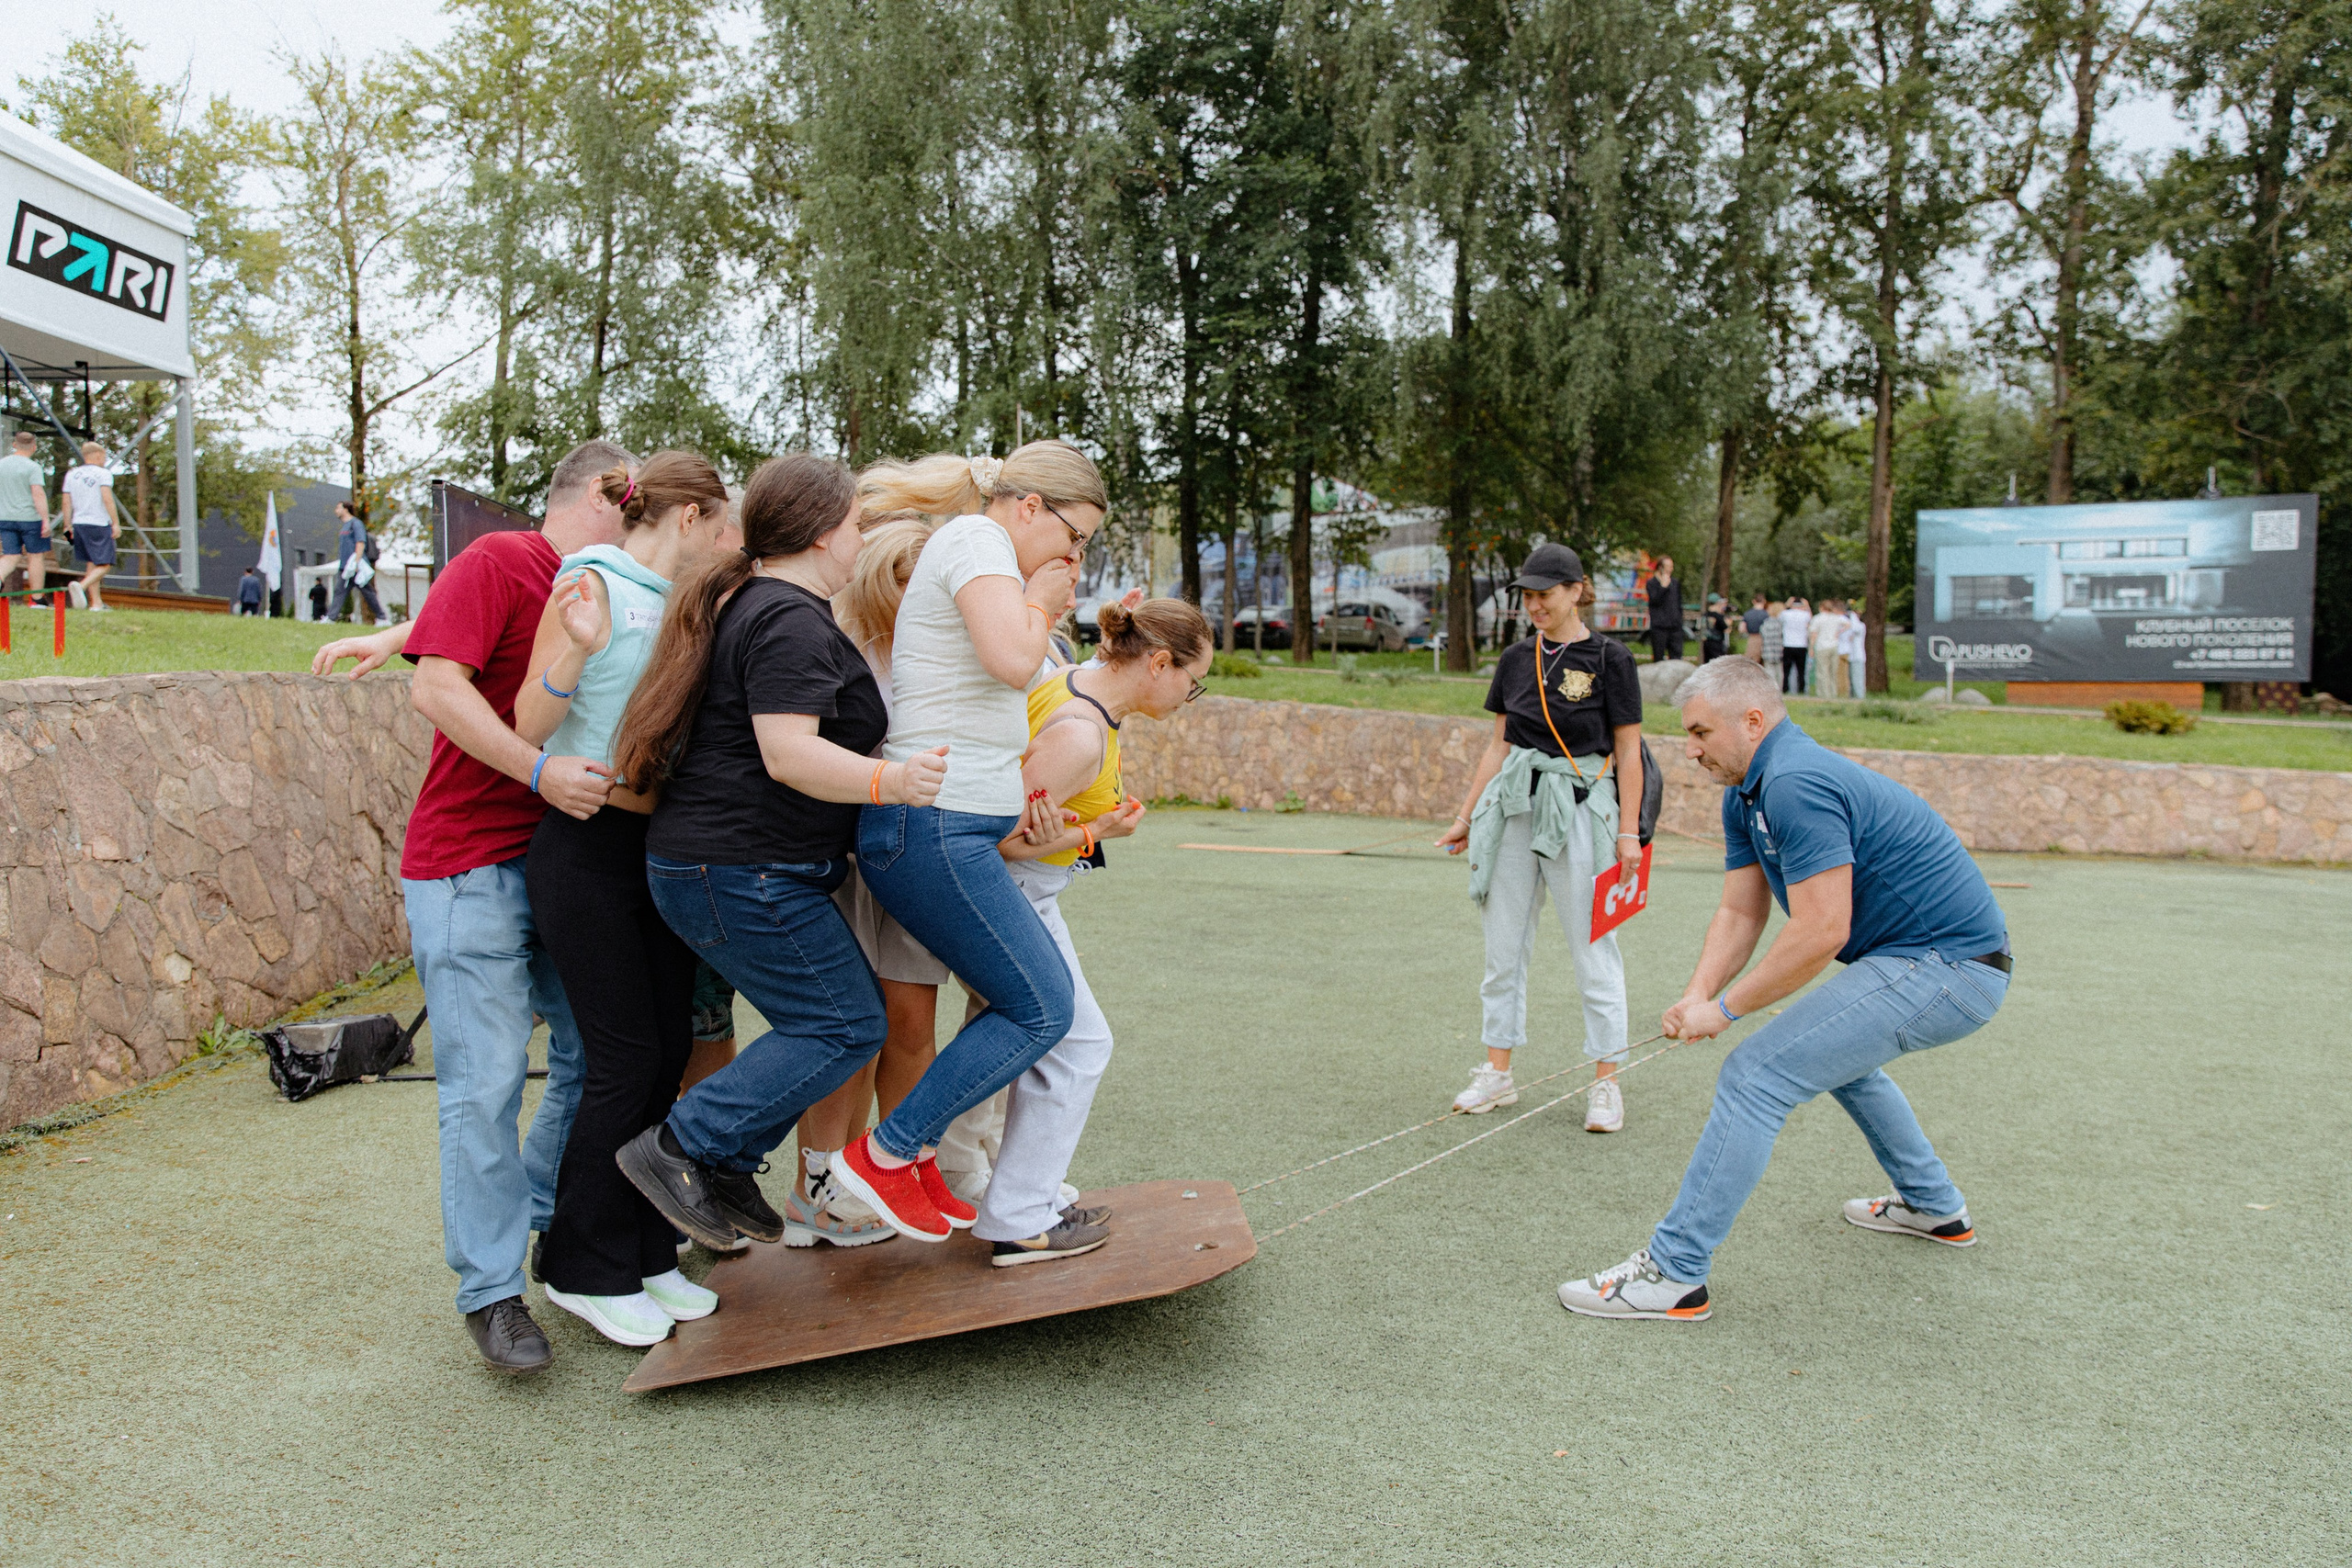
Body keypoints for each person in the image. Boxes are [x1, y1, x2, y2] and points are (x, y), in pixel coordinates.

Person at [1557, 656, 2010, 1322]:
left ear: (1753, 719)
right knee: (1839, 1064)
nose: (1692, 750)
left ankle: (1675, 1273)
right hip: (1924, 963)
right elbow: (1743, 910)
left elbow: (1824, 929)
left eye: (1702, 733)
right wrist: (1698, 994)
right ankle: (1934, 1205)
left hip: (1952, 967)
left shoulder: (1796, 781)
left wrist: (1730, 1009)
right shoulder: (1747, 791)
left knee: (1755, 1075)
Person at [325, 439, 632, 1374]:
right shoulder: (504, 559)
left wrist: (400, 627)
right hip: (468, 868)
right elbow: (434, 683)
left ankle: (539, 1218)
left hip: (561, 863)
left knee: (595, 1057)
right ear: (608, 496)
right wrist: (537, 769)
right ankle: (492, 1293)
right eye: (639, 501)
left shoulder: (609, 584)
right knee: (486, 1082)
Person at [611, 454, 948, 1252]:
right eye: (858, 524)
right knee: (843, 1023)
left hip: (735, 867)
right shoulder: (789, 618)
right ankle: (683, 1145)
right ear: (827, 532)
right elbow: (787, 753)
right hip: (741, 871)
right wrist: (892, 780)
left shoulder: (766, 605)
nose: (862, 539)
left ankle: (724, 1158)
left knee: (838, 1018)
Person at [820, 442, 1102, 1243]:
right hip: (932, 825)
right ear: (1029, 508)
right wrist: (1043, 598)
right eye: (1073, 537)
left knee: (1026, 1002)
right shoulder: (978, 543)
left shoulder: (982, 552)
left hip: (951, 827)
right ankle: (887, 1154)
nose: (1074, 559)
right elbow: (1015, 660)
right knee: (1043, 1004)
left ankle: (907, 1158)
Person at [510, 452, 734, 1349]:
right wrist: (576, 653)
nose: (724, 544)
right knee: (623, 1057)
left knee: (670, 1048)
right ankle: (580, 1265)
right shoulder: (590, 581)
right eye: (719, 527)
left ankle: (645, 1251)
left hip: (657, 849)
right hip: (588, 847)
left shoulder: (674, 596)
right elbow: (527, 722)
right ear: (689, 518)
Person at [966, 600, 1199, 1265]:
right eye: (1192, 679)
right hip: (1016, 896)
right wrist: (1099, 830)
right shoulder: (1082, 732)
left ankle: (1025, 1197)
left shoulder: (1070, 685)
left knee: (1043, 1043)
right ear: (1158, 662)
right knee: (1080, 1042)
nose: (1190, 694)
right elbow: (1006, 839)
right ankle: (1019, 1216)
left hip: (1029, 895)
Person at [1436, 543, 1645, 1134]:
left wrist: (1628, 832)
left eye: (1544, 594)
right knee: (1502, 948)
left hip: (1580, 808)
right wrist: (1465, 815)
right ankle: (1497, 1072)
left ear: (1578, 589)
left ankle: (1606, 1083)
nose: (1534, 605)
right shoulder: (1514, 658)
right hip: (1514, 806)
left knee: (1592, 949)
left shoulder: (1611, 658)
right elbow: (1498, 746)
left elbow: (1628, 751)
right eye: (1526, 596)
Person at [786, 515, 947, 1247]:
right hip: (844, 844)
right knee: (848, 1027)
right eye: (904, 585)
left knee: (911, 1023)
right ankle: (814, 1188)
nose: (916, 599)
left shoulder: (947, 642)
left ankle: (896, 1173)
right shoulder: (834, 637)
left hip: (918, 844)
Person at [60, 442, 120, 612]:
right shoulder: (103, 474)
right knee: (105, 563)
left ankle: (96, 603)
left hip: (79, 522)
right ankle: (82, 586)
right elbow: (107, 498)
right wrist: (115, 522)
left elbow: (66, 501)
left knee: (92, 563)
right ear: (98, 455)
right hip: (99, 522)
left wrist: (67, 524)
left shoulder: (72, 474)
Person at [0, 431, 52, 607]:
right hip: (30, 518)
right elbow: (37, 493)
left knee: (10, 556)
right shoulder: (33, 467)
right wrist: (45, 519)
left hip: (5, 517)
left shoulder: (2, 464)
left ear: (14, 444)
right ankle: (37, 599)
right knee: (35, 556)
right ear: (34, 447)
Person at [332, 501, 386, 625]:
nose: (336, 510)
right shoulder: (345, 526)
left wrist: (356, 563)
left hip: (355, 566)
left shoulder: (356, 524)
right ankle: (331, 617)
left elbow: (360, 542)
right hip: (345, 566)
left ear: (345, 509)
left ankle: (382, 617)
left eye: (338, 507)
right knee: (340, 591)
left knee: (368, 593)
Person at [1644, 557, 1685, 663]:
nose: (1670, 569)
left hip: (1675, 626)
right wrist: (1663, 587)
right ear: (1660, 567)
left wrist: (1679, 620)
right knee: (1658, 657)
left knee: (1677, 657)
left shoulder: (1675, 583)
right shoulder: (1652, 583)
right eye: (1668, 567)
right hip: (1659, 627)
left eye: (1672, 567)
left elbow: (1679, 603)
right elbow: (1654, 601)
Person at [1810, 597, 1844, 695]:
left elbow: (1814, 634)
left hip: (1822, 647)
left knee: (1822, 671)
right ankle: (1833, 693)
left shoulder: (1818, 618)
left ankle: (1824, 694)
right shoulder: (1836, 618)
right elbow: (1848, 624)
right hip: (1834, 646)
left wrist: (1811, 648)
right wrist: (1839, 632)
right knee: (1833, 672)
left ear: (1821, 607)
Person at [1779, 595, 1811, 695]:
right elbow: (1811, 619)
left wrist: (1787, 604)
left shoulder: (1785, 614)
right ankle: (1801, 689)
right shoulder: (1805, 615)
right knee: (1801, 670)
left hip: (1788, 644)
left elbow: (1779, 617)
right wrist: (1807, 605)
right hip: (1801, 645)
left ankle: (1785, 688)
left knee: (1786, 670)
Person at [1839, 601, 1868, 697]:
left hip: (1858, 657)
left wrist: (1852, 615)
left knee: (1858, 680)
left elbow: (1855, 627)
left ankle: (1860, 697)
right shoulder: (1850, 626)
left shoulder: (1861, 626)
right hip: (1850, 656)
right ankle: (1852, 698)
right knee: (1850, 680)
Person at [1701, 592, 1731, 663]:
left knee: (1707, 663)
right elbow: (1726, 629)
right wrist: (1728, 624)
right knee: (1718, 663)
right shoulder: (1718, 616)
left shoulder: (1705, 615)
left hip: (1706, 643)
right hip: (1717, 643)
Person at [1742, 593, 1767, 662]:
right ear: (1764, 601)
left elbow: (1742, 628)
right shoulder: (1766, 614)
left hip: (1752, 638)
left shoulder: (1747, 613)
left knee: (1751, 661)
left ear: (1753, 601)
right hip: (1764, 639)